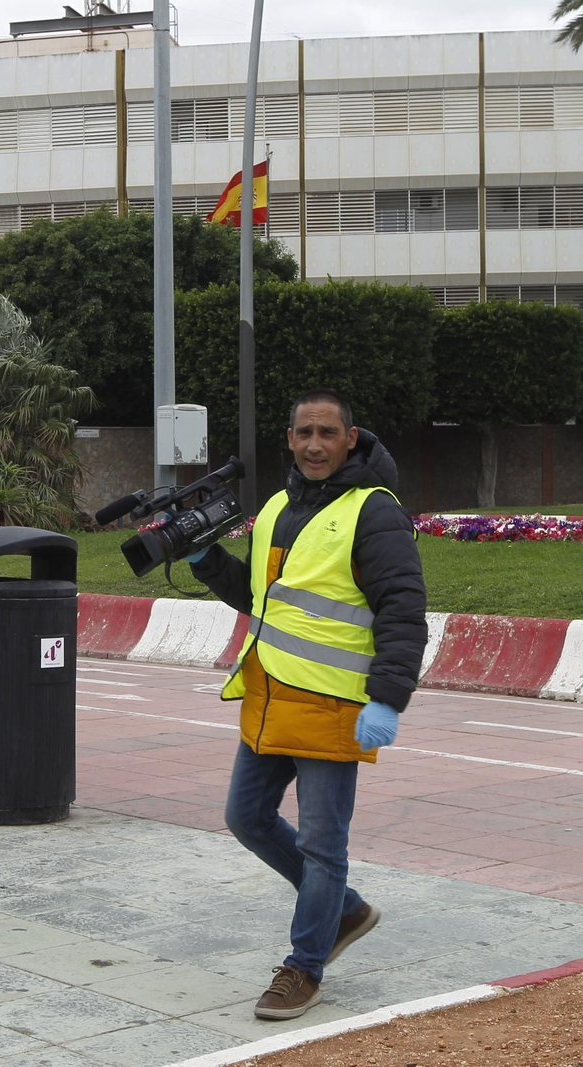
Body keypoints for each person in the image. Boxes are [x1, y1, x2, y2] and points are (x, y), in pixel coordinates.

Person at [186, 388, 428, 1021]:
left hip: (333, 704)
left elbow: (404, 609)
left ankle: (304, 968)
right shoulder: (276, 507)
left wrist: (388, 700)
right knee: (246, 817)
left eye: (327, 433)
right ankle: (344, 910)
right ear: (289, 439)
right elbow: (260, 597)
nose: (314, 444)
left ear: (351, 438)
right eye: (304, 433)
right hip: (270, 695)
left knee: (323, 846)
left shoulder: (374, 511)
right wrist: (207, 561)